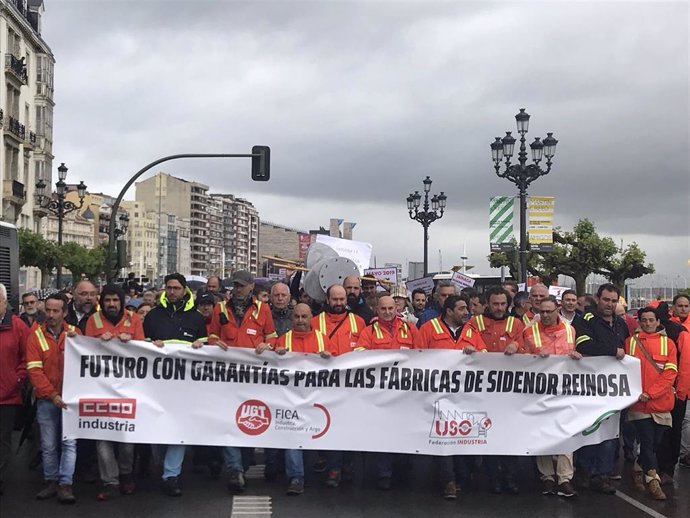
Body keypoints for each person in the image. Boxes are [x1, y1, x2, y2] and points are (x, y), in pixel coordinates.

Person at [143, 273, 207, 497]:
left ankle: (171, 475)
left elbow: (208, 348)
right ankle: (159, 464)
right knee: (160, 430)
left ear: (184, 290)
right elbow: (139, 347)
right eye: (169, 288)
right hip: (157, 386)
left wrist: (202, 344)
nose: (172, 292)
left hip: (186, 388)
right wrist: (151, 344)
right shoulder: (152, 317)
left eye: (176, 288)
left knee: (179, 430)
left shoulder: (197, 319)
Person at [461, 287, 525, 494]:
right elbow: (464, 344)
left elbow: (526, 348)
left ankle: (510, 476)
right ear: (487, 303)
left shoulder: (516, 324)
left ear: (508, 304)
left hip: (509, 391)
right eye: (495, 304)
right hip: (483, 390)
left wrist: (517, 346)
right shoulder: (475, 323)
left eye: (503, 304)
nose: (499, 308)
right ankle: (493, 478)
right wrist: (469, 349)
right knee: (487, 434)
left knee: (510, 435)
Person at [266, 303, 335, 495]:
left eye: (304, 317)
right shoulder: (283, 339)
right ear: (292, 318)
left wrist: (330, 357)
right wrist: (275, 354)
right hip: (291, 398)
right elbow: (269, 366)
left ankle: (329, 470)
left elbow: (338, 367)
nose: (300, 321)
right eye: (297, 317)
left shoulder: (323, 339)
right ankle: (296, 477)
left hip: (317, 398)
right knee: (293, 436)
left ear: (311, 317)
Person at [84, 285, 144, 500]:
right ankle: (110, 481)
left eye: (115, 300)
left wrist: (133, 343)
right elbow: (85, 353)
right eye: (107, 300)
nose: (111, 304)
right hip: (101, 389)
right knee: (103, 438)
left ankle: (127, 474)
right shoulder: (94, 321)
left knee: (127, 437)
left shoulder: (134, 319)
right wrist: (98, 343)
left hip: (128, 390)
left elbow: (142, 354)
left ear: (121, 301)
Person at [572, 283, 629, 495]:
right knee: (590, 430)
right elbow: (583, 345)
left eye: (614, 301)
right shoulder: (585, 320)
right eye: (606, 300)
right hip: (590, 387)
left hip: (614, 390)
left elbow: (628, 350)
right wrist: (612, 350)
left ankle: (601, 475)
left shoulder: (621, 324)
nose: (610, 304)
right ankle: (584, 471)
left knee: (610, 434)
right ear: (598, 299)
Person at [26, 293, 80, 504]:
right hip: (47, 400)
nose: (50, 314)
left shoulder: (76, 334)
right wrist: (53, 395)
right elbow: (34, 372)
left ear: (65, 312)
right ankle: (51, 482)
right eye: (48, 310)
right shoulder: (35, 336)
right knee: (48, 445)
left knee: (69, 444)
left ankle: (65, 485)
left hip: (70, 401)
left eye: (56, 310)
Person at [524, 296, 580, 498]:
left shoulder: (569, 330)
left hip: (564, 392)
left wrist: (577, 356)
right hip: (539, 393)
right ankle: (547, 477)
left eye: (549, 311)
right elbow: (521, 364)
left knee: (566, 434)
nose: (545, 315)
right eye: (542, 311)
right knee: (543, 434)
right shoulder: (529, 332)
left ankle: (565, 478)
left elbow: (573, 353)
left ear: (557, 310)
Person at [418, 294, 471, 499]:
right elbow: (417, 357)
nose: (466, 312)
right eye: (461, 308)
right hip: (437, 395)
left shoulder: (470, 330)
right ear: (448, 311)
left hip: (464, 396)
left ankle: (461, 477)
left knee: (462, 438)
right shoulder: (429, 329)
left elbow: (484, 356)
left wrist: (476, 352)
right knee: (444, 438)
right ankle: (448, 480)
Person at [312, 284, 365, 487]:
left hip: (352, 388)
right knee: (332, 428)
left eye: (342, 299)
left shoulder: (358, 322)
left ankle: (348, 465)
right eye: (335, 299)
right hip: (326, 387)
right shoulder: (316, 323)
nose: (339, 303)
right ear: (327, 300)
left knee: (349, 428)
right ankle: (334, 467)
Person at [625, 307, 678, 500]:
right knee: (647, 442)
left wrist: (651, 393)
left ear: (657, 322)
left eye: (651, 320)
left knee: (653, 444)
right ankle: (652, 481)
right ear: (639, 321)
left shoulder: (668, 344)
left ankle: (639, 467)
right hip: (639, 404)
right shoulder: (630, 343)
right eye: (644, 320)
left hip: (661, 404)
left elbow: (670, 373)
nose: (647, 324)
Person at [0, 283, 29, 495]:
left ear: (3, 302)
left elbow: (27, 357)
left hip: (7, 395)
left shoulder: (18, 326)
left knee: (3, 440)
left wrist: (17, 380)